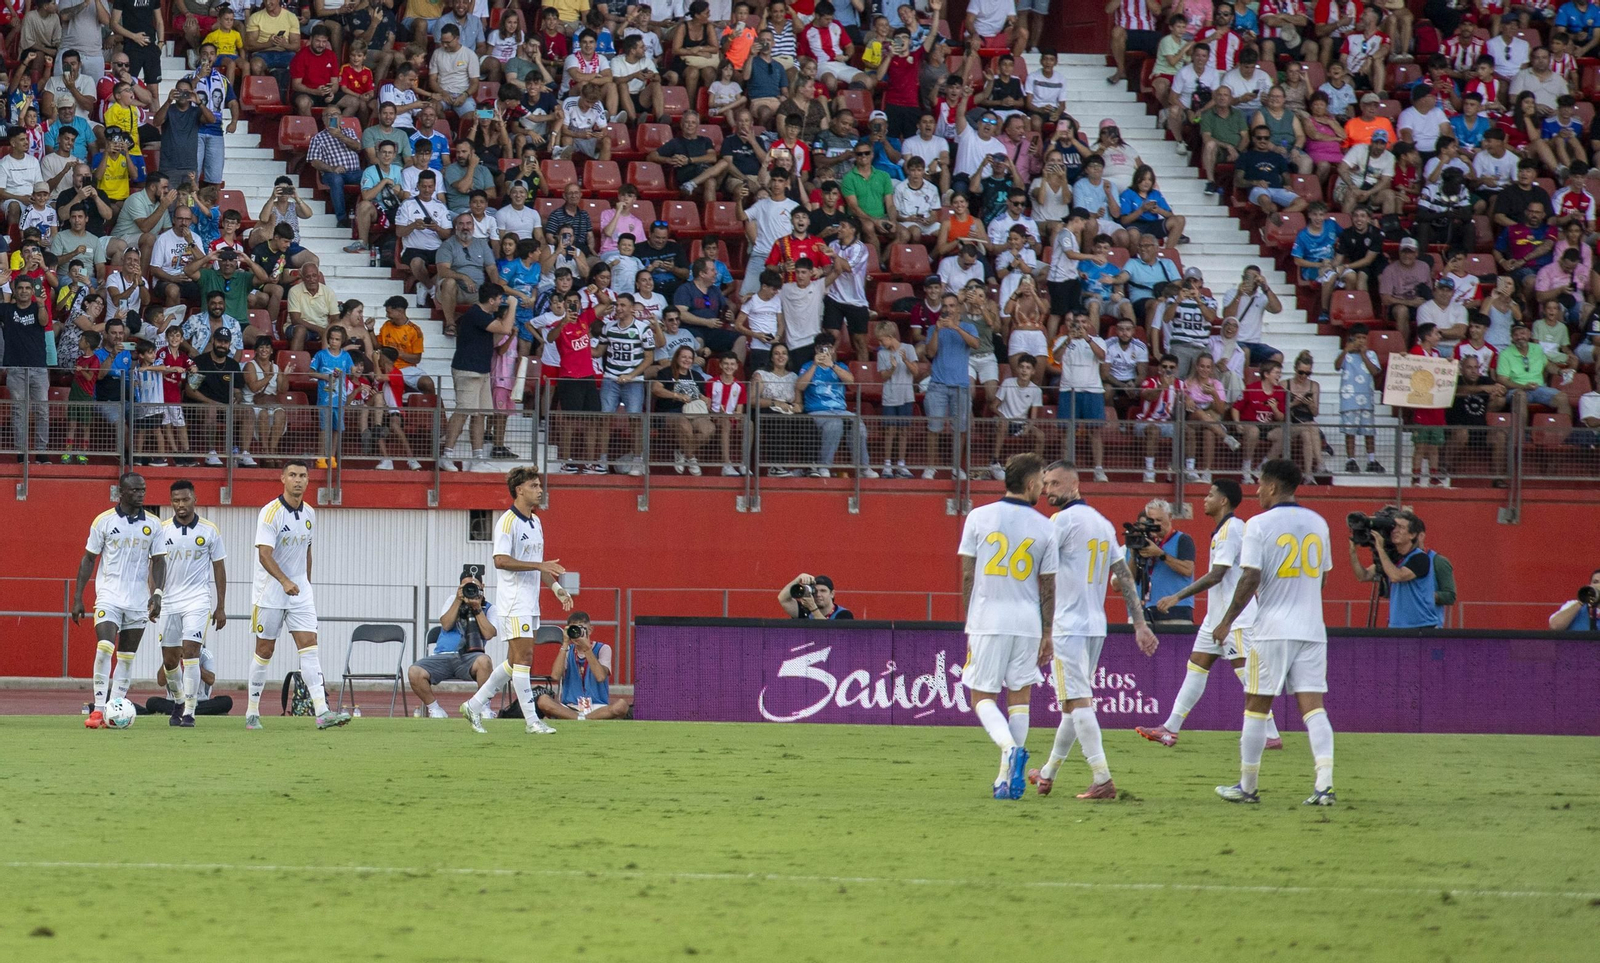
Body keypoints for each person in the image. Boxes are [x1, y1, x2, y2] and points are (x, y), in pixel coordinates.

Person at [1027, 461, 1160, 799]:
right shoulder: (1102, 524)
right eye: (1046, 484)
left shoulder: (1061, 522)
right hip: (1094, 625)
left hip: (1067, 626)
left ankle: (1102, 778)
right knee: (1072, 705)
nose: (1048, 490)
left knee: (1077, 701)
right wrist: (1139, 624)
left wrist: (1040, 625)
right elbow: (1124, 577)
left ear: (1074, 485)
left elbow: (1040, 573)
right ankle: (1047, 773)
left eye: (1055, 483)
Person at [1211, 458, 1336, 806]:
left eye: (1260, 484)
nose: (1256, 490)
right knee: (1314, 708)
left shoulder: (1258, 524)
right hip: (1312, 628)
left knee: (1256, 704)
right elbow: (1322, 577)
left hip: (1271, 629)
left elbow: (1250, 577)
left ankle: (1247, 786)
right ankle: (1324, 784)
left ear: (1273, 487)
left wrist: (1226, 621)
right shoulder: (1319, 522)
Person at [1136, 479, 1284, 749]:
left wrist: (1178, 596)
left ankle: (1271, 733)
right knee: (1195, 668)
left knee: (1247, 675)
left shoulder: (1231, 529)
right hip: (1216, 616)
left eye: (1210, 494)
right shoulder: (1224, 530)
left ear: (1224, 500)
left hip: (1236, 618)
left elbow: (1218, 574)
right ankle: (1170, 729)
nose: (1205, 499)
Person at [955, 453, 1056, 801]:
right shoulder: (1046, 526)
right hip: (1027, 621)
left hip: (988, 616)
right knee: (1020, 699)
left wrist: (970, 615)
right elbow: (1048, 585)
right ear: (1029, 484)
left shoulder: (979, 516)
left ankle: (1010, 749)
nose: (1043, 488)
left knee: (981, 696)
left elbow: (968, 573)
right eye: (1042, 482)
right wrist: (1047, 632)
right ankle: (1004, 781)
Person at [459, 467, 576, 734]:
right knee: (524, 659)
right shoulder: (506, 522)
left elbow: (541, 566)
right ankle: (532, 721)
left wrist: (556, 588)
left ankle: (474, 706)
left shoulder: (536, 522)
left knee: (514, 663)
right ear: (519, 489)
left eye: (539, 485)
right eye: (534, 485)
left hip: (530, 602)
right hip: (513, 601)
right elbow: (500, 560)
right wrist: (538, 565)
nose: (540, 490)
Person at [245, 462, 351, 731]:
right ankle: (252, 711)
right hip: (269, 592)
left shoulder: (310, 514)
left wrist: (306, 585)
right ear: (282, 479)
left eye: (303, 476)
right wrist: (284, 581)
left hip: (299, 592)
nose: (298, 480)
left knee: (309, 646)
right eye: (292, 475)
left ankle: (323, 711)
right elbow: (264, 554)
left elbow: (307, 551)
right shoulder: (270, 513)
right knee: (264, 650)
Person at [71, 473, 167, 729]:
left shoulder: (155, 525)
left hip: (138, 601)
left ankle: (115, 711)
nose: (140, 494)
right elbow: (89, 559)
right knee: (105, 646)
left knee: (126, 657)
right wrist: (78, 597)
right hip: (109, 597)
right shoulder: (104, 521)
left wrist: (157, 594)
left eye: (143, 489)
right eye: (135, 490)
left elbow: (159, 561)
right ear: (121, 493)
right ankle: (98, 710)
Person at [153, 479, 227, 727]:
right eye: (176, 500)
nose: (181, 505)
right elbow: (153, 566)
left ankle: (189, 712)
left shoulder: (209, 530)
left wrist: (220, 606)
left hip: (197, 600)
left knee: (192, 652)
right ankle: (178, 700)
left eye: (185, 499)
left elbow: (219, 568)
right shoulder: (162, 530)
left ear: (194, 499)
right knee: (170, 661)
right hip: (170, 601)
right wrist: (155, 596)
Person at [409, 571, 495, 718]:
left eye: (474, 586)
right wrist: (458, 599)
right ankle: (435, 709)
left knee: (485, 661)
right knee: (414, 671)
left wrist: (477, 608)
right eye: (466, 586)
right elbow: (446, 624)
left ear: (483, 587)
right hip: (443, 656)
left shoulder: (489, 608)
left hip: (470, 658)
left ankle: (483, 707)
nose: (470, 590)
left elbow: (488, 633)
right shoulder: (452, 600)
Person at [1347, 510, 1446, 629]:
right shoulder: (1393, 560)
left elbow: (1397, 576)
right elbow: (1363, 576)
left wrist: (1381, 549)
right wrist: (1353, 553)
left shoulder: (1420, 558)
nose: (1395, 530)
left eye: (1401, 527)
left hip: (1422, 626)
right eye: (1394, 527)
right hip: (1397, 626)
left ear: (1412, 535)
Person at [533, 611, 634, 720]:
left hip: (598, 706)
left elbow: (600, 677)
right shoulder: (567, 651)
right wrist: (565, 644)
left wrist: (587, 649)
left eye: (580, 629)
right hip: (570, 706)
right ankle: (583, 718)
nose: (577, 634)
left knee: (621, 705)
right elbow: (555, 676)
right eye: (573, 630)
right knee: (543, 701)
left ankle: (579, 718)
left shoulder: (603, 649)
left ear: (590, 630)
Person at [0, 276, 50, 460]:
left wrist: (42, 304)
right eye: (20, 288)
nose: (24, 291)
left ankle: (41, 453)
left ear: (32, 290)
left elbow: (44, 323)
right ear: (14, 289)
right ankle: (21, 452)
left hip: (38, 367)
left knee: (42, 411)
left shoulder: (38, 307)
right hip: (15, 368)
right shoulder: (6, 309)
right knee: (18, 411)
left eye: (28, 288)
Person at [775, 573, 854, 619]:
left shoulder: (844, 614)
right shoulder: (806, 612)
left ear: (832, 594)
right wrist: (798, 579)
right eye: (815, 591)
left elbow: (829, 634)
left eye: (823, 591)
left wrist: (813, 608)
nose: (818, 595)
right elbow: (783, 599)